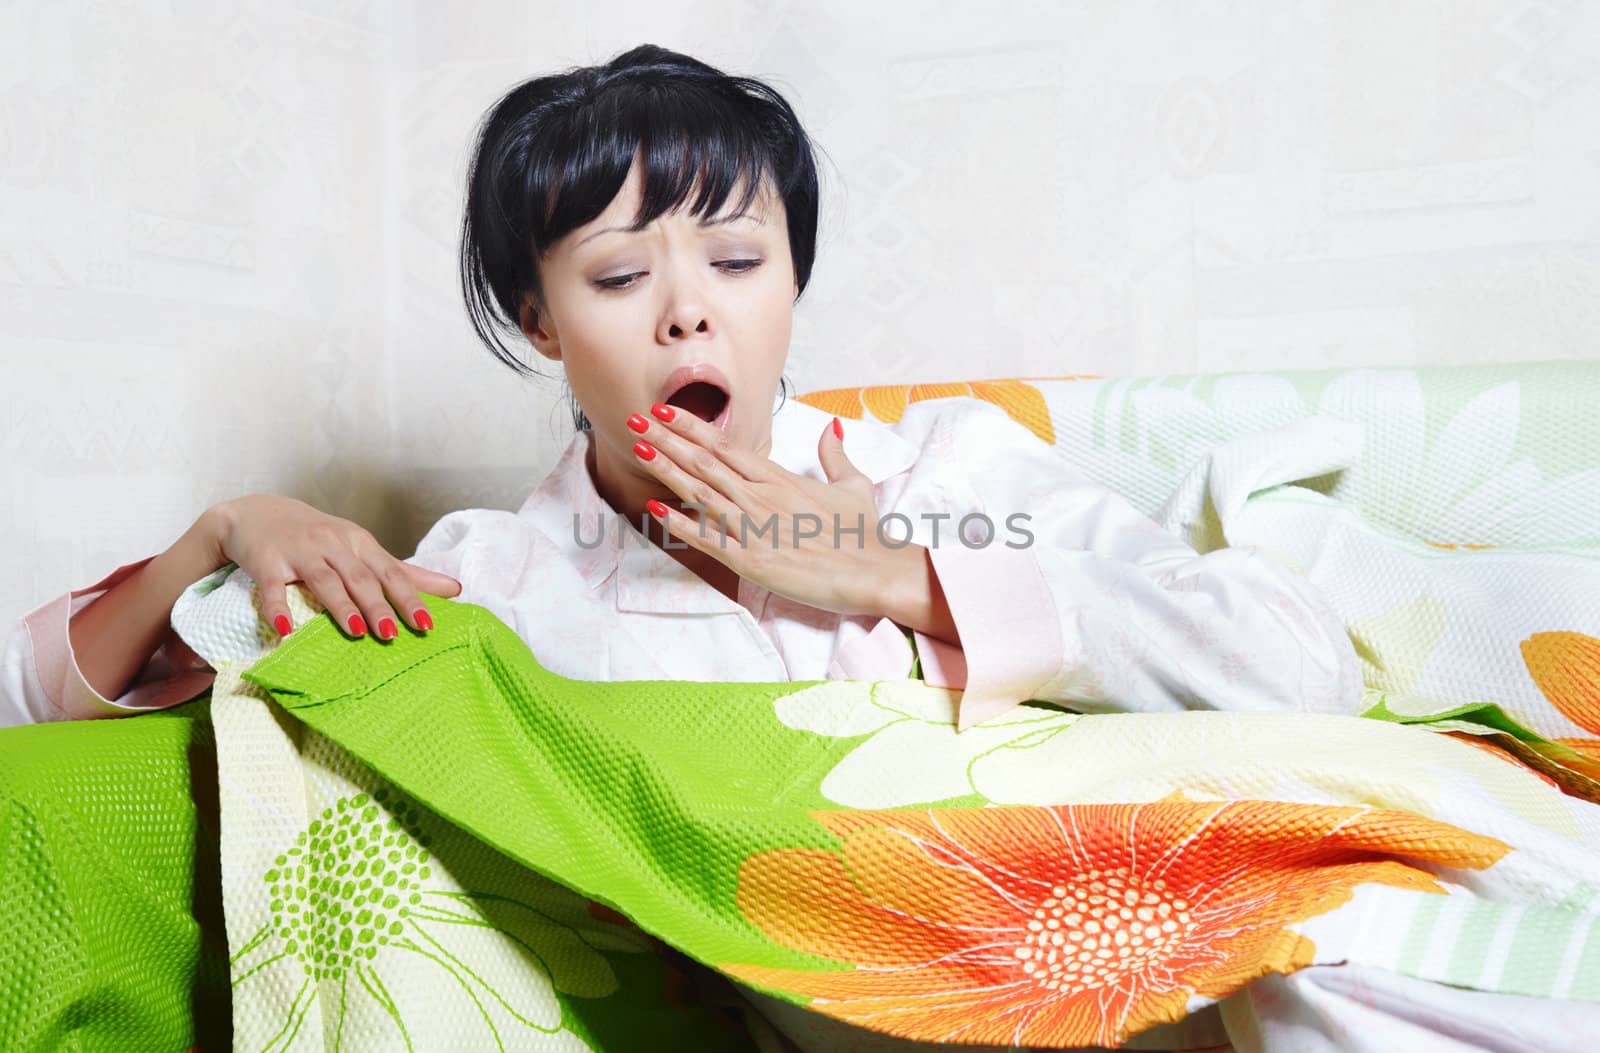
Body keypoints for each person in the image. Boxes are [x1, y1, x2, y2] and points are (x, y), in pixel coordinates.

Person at [0, 43, 1360, 736]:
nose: (691, 304)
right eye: (616, 276)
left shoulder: (949, 472)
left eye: (737, 255)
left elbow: (1296, 668)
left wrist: (886, 571)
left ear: (790, 287)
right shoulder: (501, 574)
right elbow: (38, 712)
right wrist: (223, 532)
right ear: (538, 321)